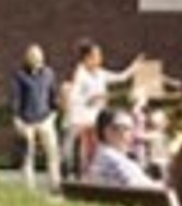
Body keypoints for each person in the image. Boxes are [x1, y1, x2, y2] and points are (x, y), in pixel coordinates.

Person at [63, 40, 116, 184]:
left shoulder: (100, 73)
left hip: (94, 119)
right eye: (96, 55)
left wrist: (135, 67)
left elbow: (121, 77)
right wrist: (89, 99)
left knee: (93, 149)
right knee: (76, 148)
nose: (100, 58)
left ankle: (89, 177)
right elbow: (73, 97)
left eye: (100, 55)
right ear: (87, 58)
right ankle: (71, 175)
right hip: (80, 119)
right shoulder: (80, 74)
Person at [10, 44, 61, 192]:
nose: (37, 61)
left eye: (39, 58)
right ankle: (29, 189)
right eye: (33, 58)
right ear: (27, 58)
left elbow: (53, 96)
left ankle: (55, 185)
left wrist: (53, 116)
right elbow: (16, 99)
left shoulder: (49, 74)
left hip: (45, 119)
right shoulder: (19, 75)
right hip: (26, 121)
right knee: (27, 156)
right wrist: (17, 119)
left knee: (53, 153)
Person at [84, 109, 151, 188]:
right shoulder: (114, 161)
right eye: (126, 129)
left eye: (132, 129)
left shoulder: (102, 157)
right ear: (107, 131)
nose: (132, 134)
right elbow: (145, 189)